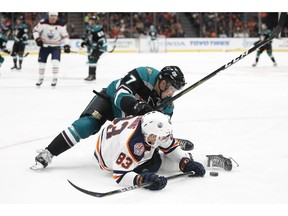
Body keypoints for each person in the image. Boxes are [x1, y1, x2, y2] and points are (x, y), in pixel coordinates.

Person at [31, 66, 193, 170]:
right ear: (163, 83)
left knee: (143, 144)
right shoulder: (144, 74)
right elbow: (120, 94)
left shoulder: (168, 105)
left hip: (129, 120)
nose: (172, 94)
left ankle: (168, 145)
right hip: (110, 100)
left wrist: (167, 144)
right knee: (87, 125)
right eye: (172, 88)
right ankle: (48, 152)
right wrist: (137, 107)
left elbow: (160, 127)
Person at [93, 111, 205, 189]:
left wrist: (185, 161)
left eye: (162, 137)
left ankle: (186, 156)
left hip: (115, 136)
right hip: (108, 157)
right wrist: (142, 180)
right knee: (155, 163)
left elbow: (171, 147)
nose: (161, 139)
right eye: (157, 137)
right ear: (147, 133)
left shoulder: (149, 127)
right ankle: (198, 158)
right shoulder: (132, 144)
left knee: (160, 150)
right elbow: (120, 175)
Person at [33, 12, 70, 87]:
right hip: (44, 47)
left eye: (55, 16)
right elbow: (35, 31)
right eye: (52, 16)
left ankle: (55, 78)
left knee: (55, 62)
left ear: (57, 17)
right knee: (41, 64)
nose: (53, 17)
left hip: (55, 47)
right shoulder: (42, 22)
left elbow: (65, 36)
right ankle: (40, 78)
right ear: (49, 16)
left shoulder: (61, 24)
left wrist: (66, 45)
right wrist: (37, 39)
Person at [80, 15, 108, 81]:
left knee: (93, 58)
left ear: (95, 21)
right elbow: (87, 38)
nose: (91, 21)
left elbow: (102, 38)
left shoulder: (98, 28)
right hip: (94, 47)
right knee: (90, 59)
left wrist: (99, 44)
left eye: (93, 20)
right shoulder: (88, 28)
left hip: (100, 47)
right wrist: (84, 42)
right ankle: (90, 75)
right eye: (90, 20)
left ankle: (92, 76)